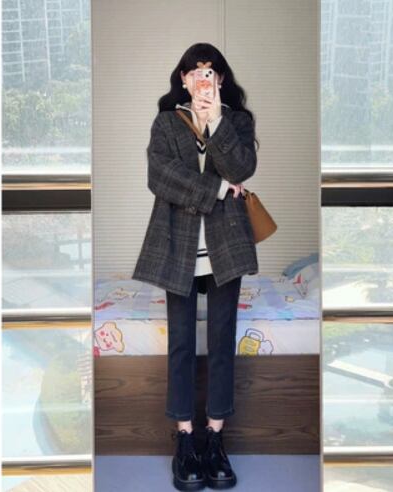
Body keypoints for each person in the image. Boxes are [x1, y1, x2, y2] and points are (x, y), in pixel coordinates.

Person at [132, 42, 259, 491]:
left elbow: (242, 166)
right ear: (184, 79)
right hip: (177, 244)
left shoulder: (237, 121)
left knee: (222, 343)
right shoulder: (167, 122)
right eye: (195, 71)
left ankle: (215, 439)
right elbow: (159, 176)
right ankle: (185, 439)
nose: (203, 78)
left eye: (210, 71)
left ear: (220, 79)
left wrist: (217, 121)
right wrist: (220, 189)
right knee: (182, 344)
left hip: (226, 245)